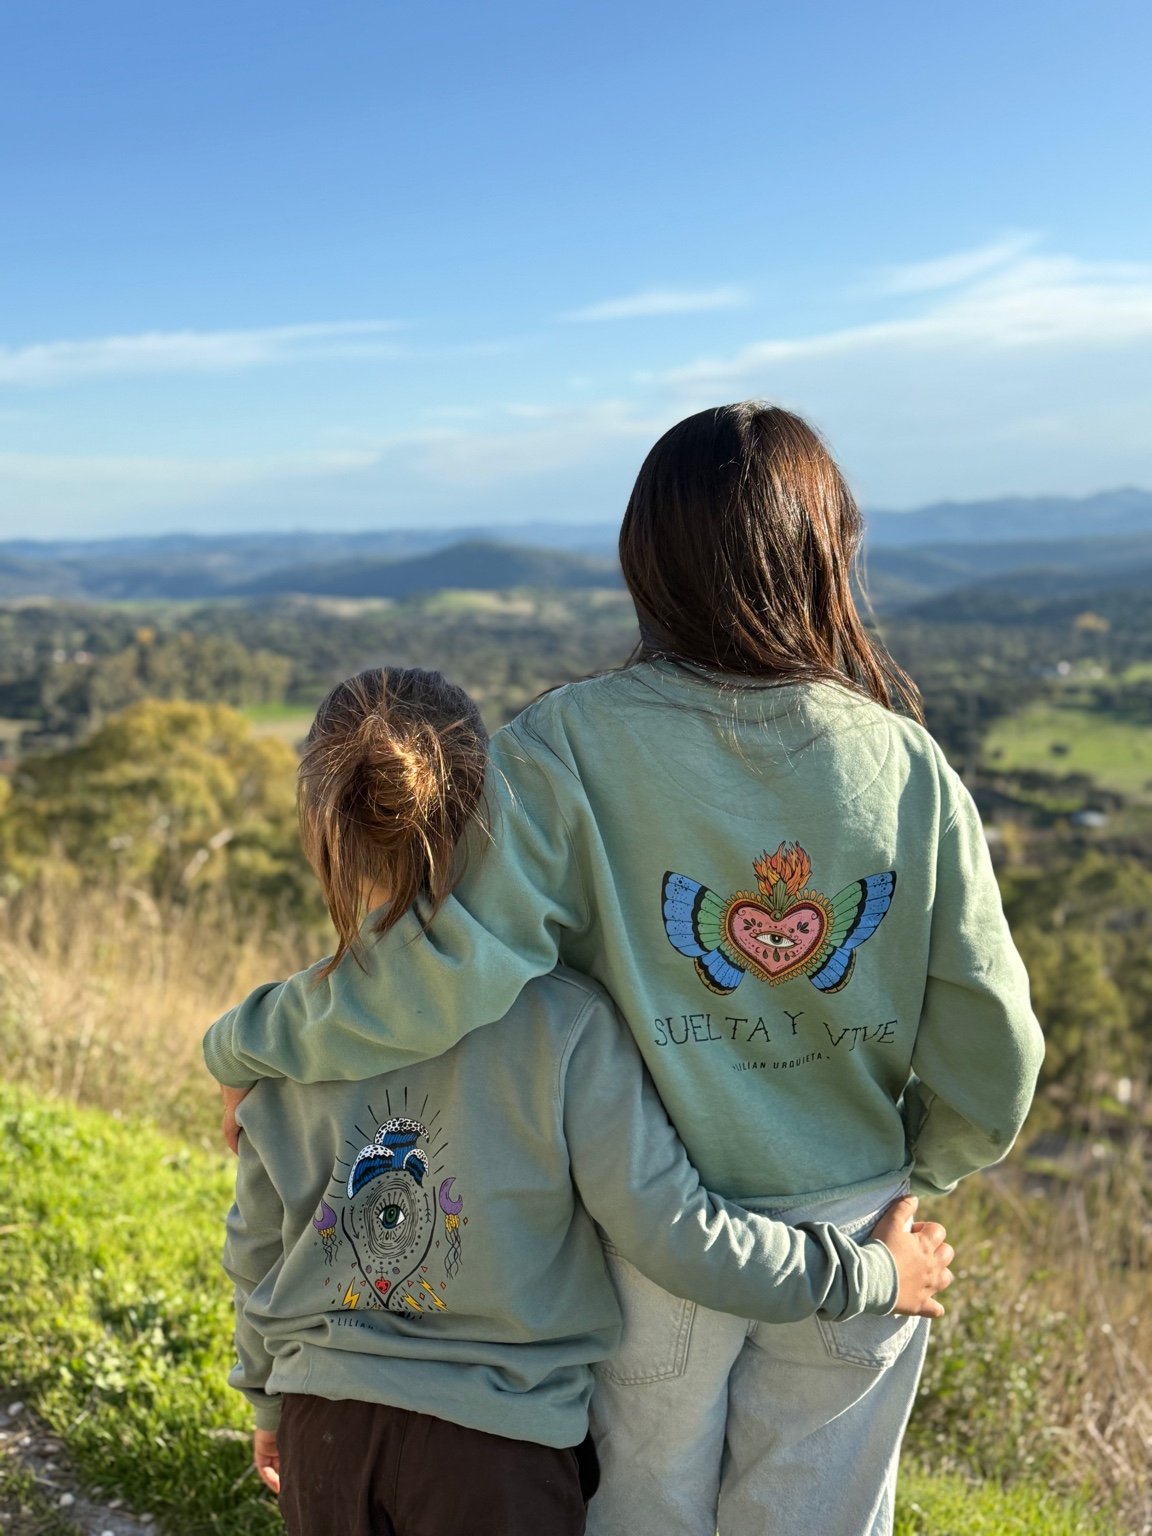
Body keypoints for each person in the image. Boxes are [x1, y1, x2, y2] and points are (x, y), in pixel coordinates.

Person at [208, 403, 1042, 1536]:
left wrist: (247, 1042)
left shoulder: (564, 745)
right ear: (828, 549)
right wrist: (918, 1176)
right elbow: (995, 1044)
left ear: (644, 559)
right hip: (860, 1223)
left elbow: (444, 980)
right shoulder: (910, 767)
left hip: (652, 1227)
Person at [222, 665, 953, 1536]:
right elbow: (677, 1236)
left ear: (319, 828)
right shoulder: (567, 1026)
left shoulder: (284, 1039)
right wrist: (870, 1274)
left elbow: (257, 1251)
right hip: (497, 1454)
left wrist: (267, 1401)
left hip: (325, 1432)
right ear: (498, 819)